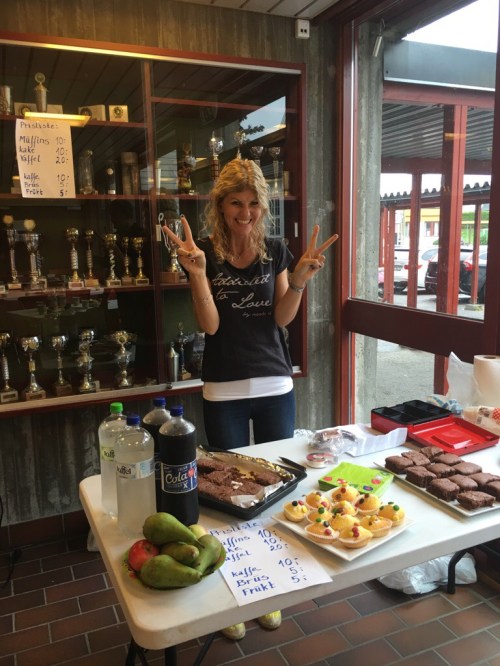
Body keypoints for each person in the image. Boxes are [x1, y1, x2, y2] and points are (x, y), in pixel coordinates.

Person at [163, 158, 338, 639]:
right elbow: (210, 325)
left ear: (264, 206)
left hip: (275, 385)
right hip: (223, 387)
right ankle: (234, 592)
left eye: (254, 203)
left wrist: (299, 279)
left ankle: (269, 587)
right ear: (220, 206)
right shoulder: (203, 253)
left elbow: (281, 318)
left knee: (277, 487)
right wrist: (197, 274)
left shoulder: (275, 251)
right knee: (227, 494)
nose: (245, 213)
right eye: (236, 203)